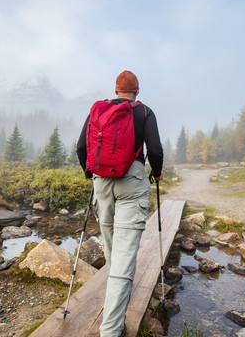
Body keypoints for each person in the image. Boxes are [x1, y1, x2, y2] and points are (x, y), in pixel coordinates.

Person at [77, 70, 163, 337]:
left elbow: (81, 147)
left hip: (101, 183)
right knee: (124, 260)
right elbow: (156, 150)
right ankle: (112, 329)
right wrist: (157, 172)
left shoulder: (98, 111)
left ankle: (117, 294)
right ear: (136, 90)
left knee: (114, 252)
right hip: (132, 183)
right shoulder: (145, 112)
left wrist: (90, 173)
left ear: (116, 90)